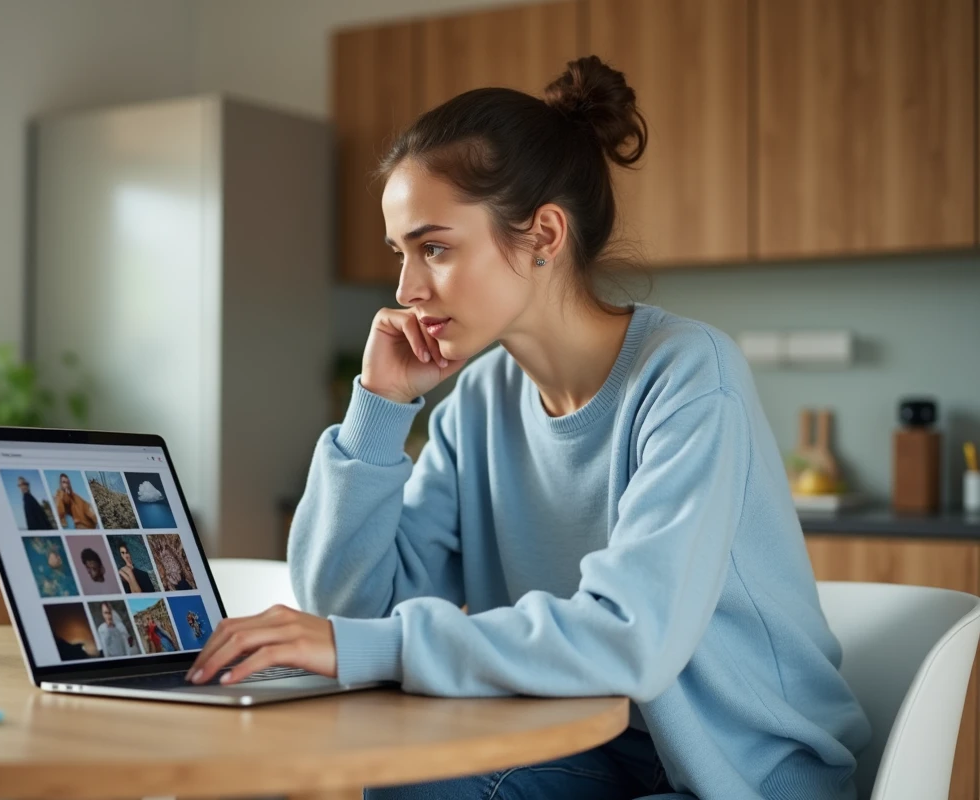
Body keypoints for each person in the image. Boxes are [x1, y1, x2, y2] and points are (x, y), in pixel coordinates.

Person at [186, 55, 870, 799]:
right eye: (401, 254)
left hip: (743, 773)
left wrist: (360, 644)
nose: (407, 290)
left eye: (435, 248)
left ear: (543, 235)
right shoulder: (478, 403)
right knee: (409, 787)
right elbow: (344, 613)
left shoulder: (689, 377)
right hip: (594, 746)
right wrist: (378, 408)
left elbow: (629, 638)